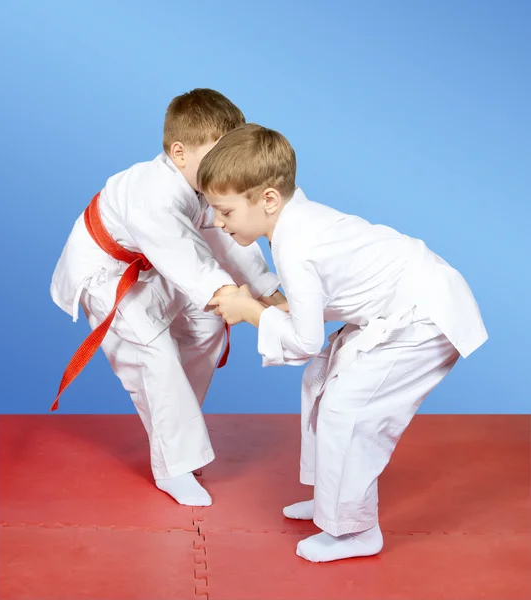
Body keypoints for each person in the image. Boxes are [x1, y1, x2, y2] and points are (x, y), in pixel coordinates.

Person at [199, 123, 488, 561]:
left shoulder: (296, 245)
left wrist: (252, 312)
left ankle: (356, 531)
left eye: (226, 211)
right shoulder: (293, 220)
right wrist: (256, 303)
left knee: (348, 409)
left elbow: (303, 341)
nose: (219, 222)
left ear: (268, 199)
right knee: (321, 382)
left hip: (425, 316)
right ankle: (330, 503)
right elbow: (307, 302)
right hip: (398, 306)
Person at [50, 92, 283, 507]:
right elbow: (186, 255)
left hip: (153, 268)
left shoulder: (199, 183)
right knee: (154, 352)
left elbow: (228, 235)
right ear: (179, 152)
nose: (225, 165)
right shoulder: (154, 193)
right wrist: (238, 300)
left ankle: (175, 431)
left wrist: (267, 290)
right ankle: (173, 466)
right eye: (217, 153)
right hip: (105, 274)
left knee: (209, 324)